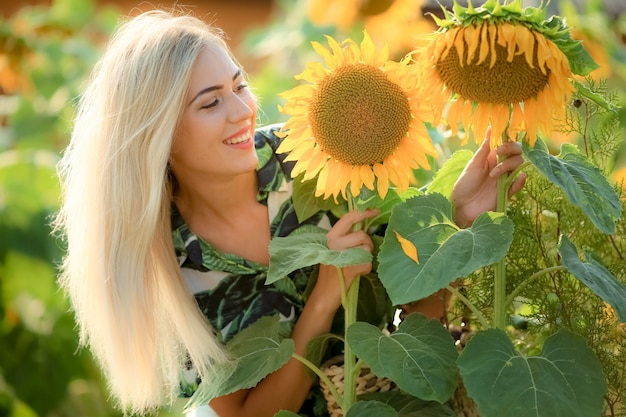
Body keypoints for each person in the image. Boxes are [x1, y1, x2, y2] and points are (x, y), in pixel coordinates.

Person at [53, 9, 526, 417]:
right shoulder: (161, 267)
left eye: (239, 85)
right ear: (159, 137)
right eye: (211, 102)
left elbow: (416, 327)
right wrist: (323, 298)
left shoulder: (315, 151)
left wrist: (457, 222)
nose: (243, 111)